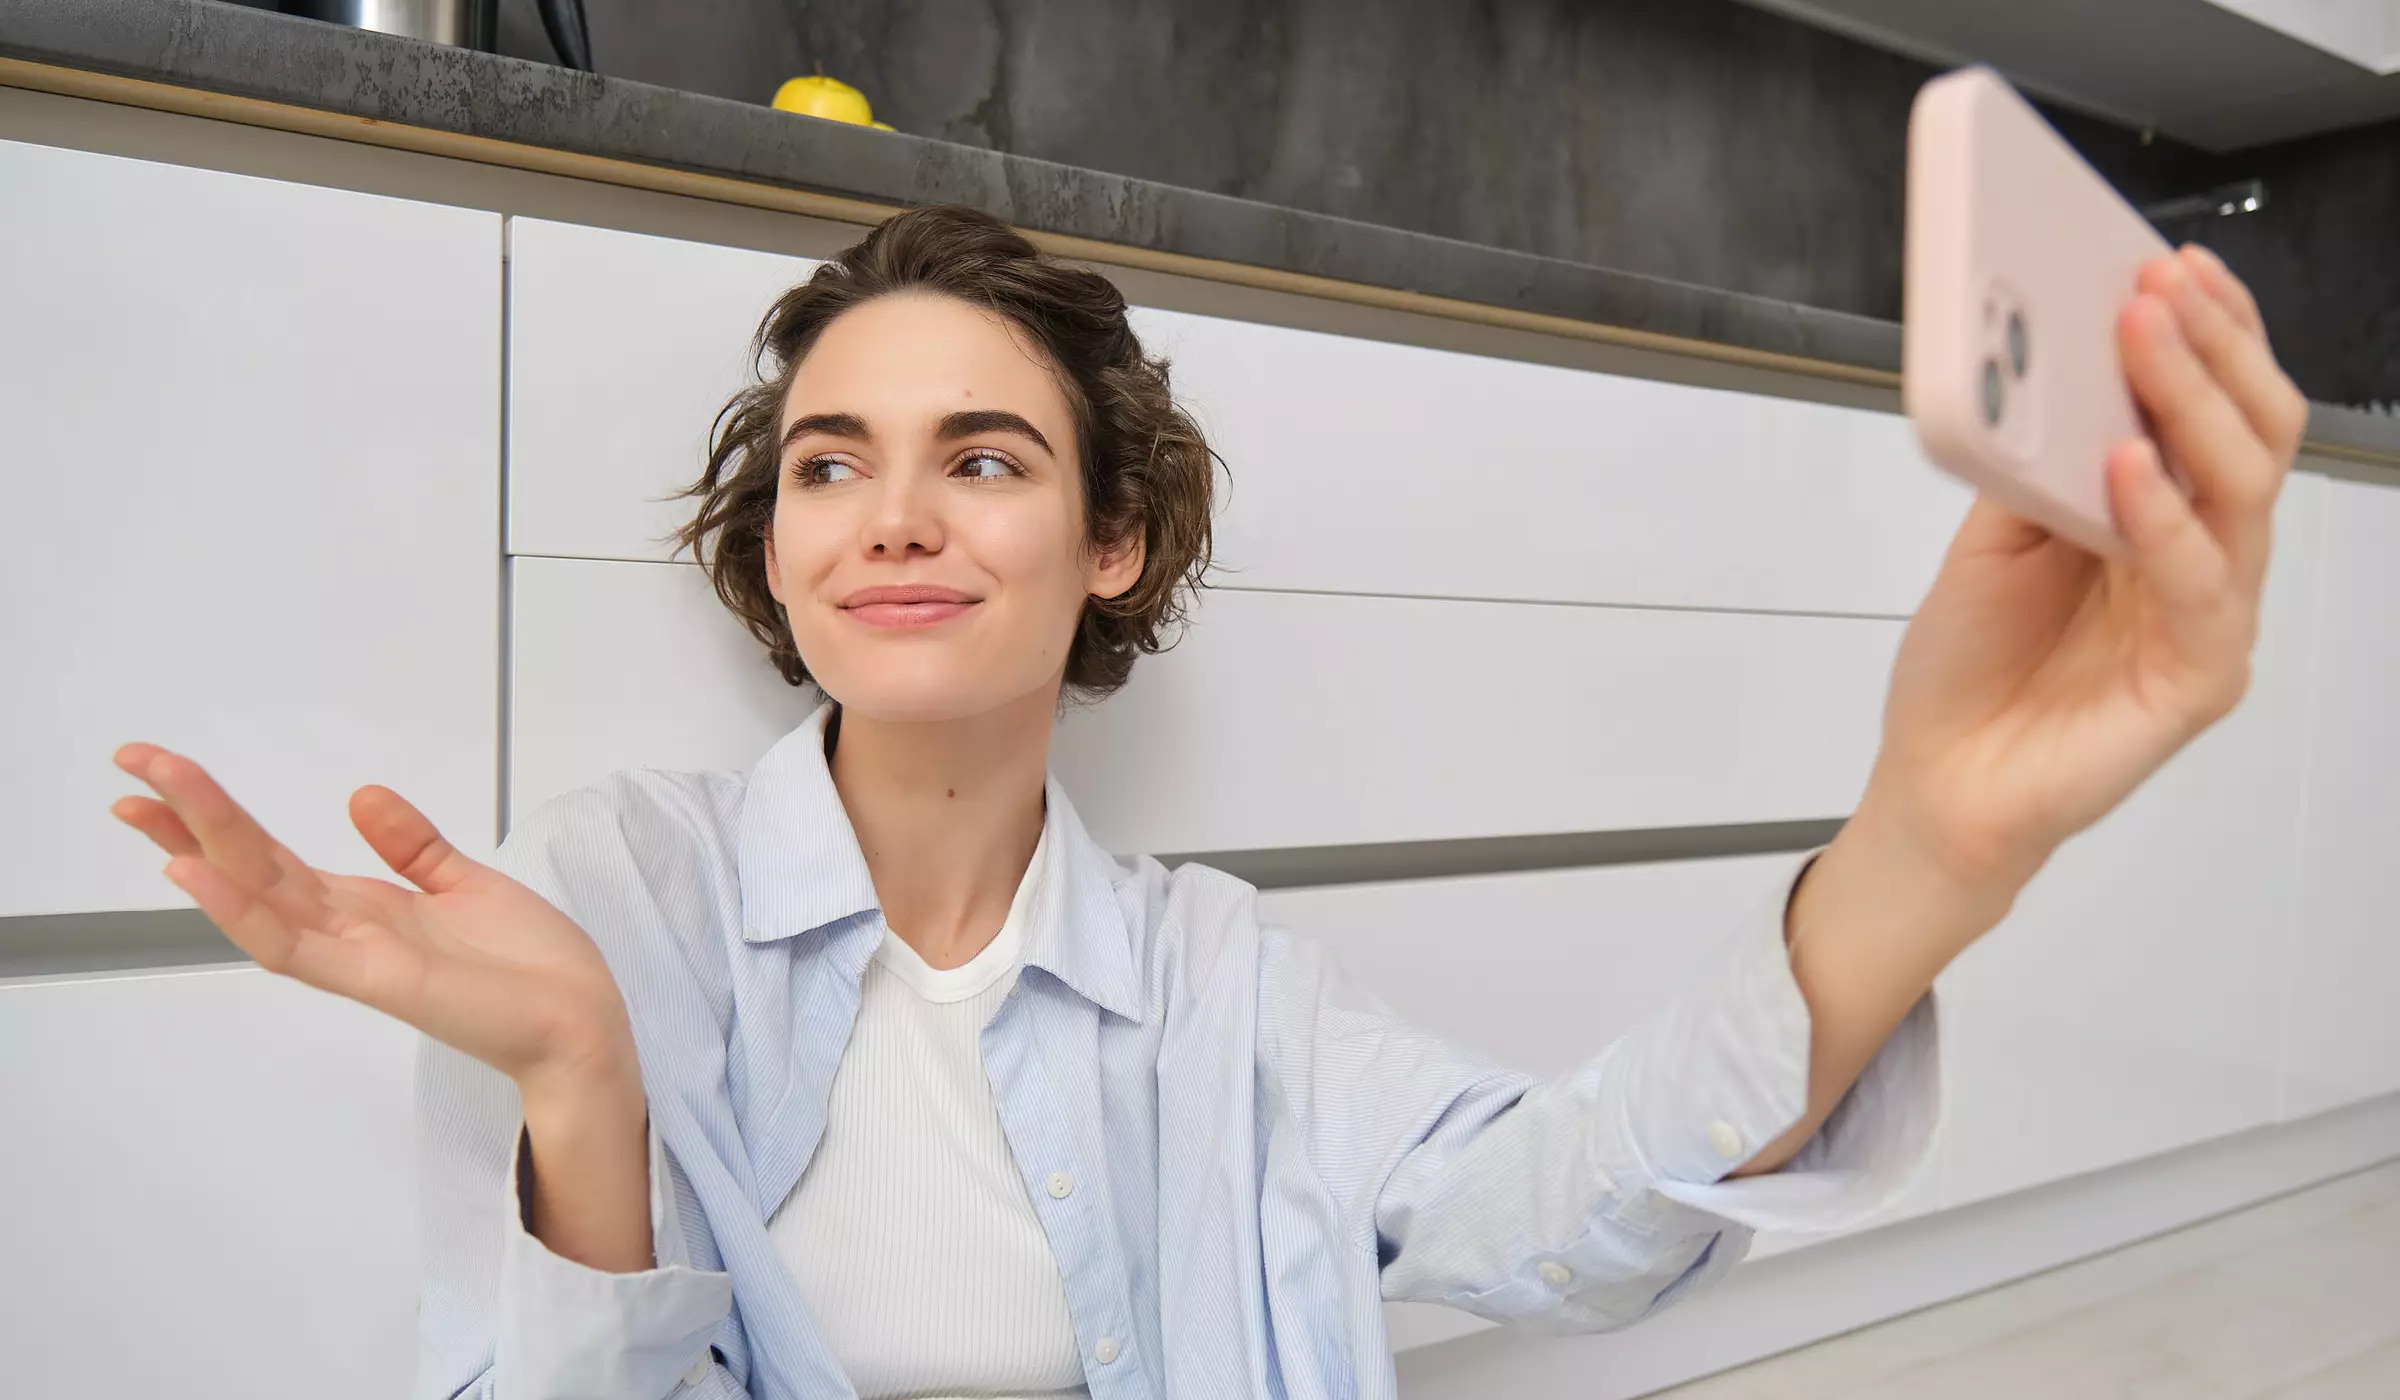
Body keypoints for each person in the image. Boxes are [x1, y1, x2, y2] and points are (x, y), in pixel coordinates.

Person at [108, 204, 2305, 1400]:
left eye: (985, 457)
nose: (893, 515)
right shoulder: (603, 906)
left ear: (1112, 544)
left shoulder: (1218, 977)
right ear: (771, 553)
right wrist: (581, 1086)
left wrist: (1937, 838)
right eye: (828, 462)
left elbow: (1561, 1210)